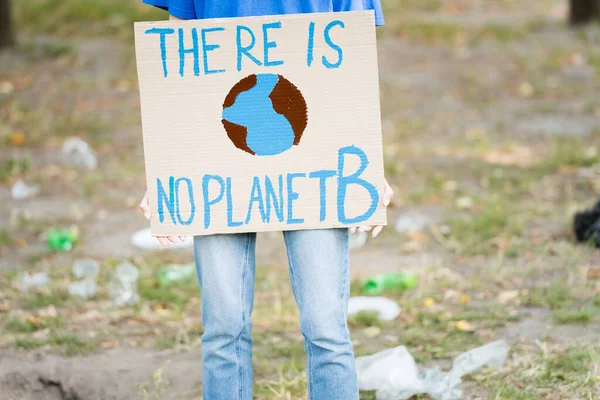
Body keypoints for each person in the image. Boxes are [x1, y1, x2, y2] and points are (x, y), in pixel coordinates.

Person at [139, 1, 392, 399]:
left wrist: (369, 165)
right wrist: (169, 170)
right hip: (214, 163)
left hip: (317, 160)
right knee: (224, 329)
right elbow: (179, 66)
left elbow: (352, 65)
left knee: (326, 327)